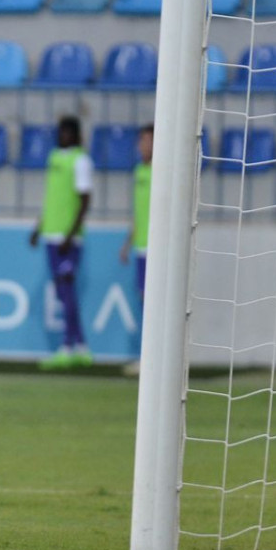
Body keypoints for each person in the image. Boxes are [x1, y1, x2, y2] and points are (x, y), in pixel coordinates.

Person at [27, 116, 95, 371]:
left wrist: (70, 234)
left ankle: (68, 347)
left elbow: (85, 201)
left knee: (66, 289)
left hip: (69, 238)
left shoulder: (81, 161)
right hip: (51, 234)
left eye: (68, 132)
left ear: (77, 135)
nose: (63, 136)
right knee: (63, 292)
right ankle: (81, 347)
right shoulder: (54, 158)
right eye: (61, 131)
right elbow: (52, 197)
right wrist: (39, 227)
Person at [118, 124, 154, 378]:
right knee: (145, 302)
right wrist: (128, 243)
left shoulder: (162, 172)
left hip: (157, 249)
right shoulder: (140, 170)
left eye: (146, 140)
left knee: (155, 304)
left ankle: (154, 360)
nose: (142, 145)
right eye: (141, 140)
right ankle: (149, 358)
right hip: (141, 247)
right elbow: (139, 213)